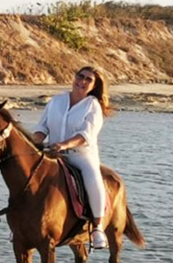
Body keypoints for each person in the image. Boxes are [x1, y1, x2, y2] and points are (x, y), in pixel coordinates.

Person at [32, 65, 114, 250]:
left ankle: (97, 227)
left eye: (88, 80)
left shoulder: (93, 106)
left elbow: (86, 135)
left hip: (80, 155)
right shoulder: (56, 101)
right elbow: (42, 128)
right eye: (80, 76)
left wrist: (63, 144)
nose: (82, 81)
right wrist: (33, 143)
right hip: (52, 153)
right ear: (74, 77)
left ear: (94, 85)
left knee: (93, 178)